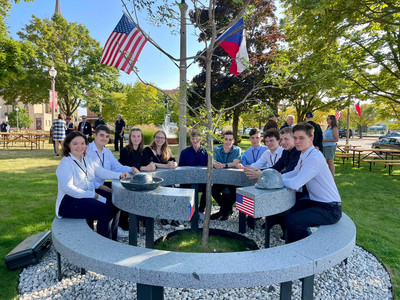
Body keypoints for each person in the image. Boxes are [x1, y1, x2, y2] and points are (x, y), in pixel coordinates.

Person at [55, 131, 130, 240]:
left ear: (86, 145)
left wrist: (120, 175)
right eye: (75, 143)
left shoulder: (86, 159)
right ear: (68, 145)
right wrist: (91, 195)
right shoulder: (66, 163)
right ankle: (104, 243)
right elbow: (68, 188)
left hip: (86, 194)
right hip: (69, 202)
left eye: (82, 143)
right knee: (105, 211)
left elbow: (101, 172)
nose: (79, 147)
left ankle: (113, 239)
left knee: (115, 202)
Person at [282, 122, 342, 243]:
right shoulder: (305, 153)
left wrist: (276, 180)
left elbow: (295, 183)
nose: (297, 141)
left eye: (301, 138)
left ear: (311, 138)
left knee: (293, 221)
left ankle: (306, 249)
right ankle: (292, 242)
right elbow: (294, 172)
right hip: (316, 202)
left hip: (330, 209)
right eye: (295, 138)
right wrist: (278, 176)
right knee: (288, 209)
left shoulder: (313, 158)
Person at [211, 130, 241, 221]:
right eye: (226, 139)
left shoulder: (237, 150)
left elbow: (235, 163)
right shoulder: (217, 149)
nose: (228, 142)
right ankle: (226, 209)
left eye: (230, 140)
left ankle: (223, 211)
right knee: (213, 190)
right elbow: (212, 160)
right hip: (220, 179)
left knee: (235, 191)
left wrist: (223, 165)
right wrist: (214, 164)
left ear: (233, 141)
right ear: (222, 140)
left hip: (232, 179)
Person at [178, 131, 208, 219]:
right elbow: (181, 168)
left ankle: (201, 210)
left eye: (197, 138)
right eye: (193, 138)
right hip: (188, 180)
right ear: (190, 139)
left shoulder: (206, 153)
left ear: (201, 139)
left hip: (202, 180)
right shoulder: (184, 152)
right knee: (183, 187)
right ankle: (188, 211)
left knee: (209, 187)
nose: (195, 140)